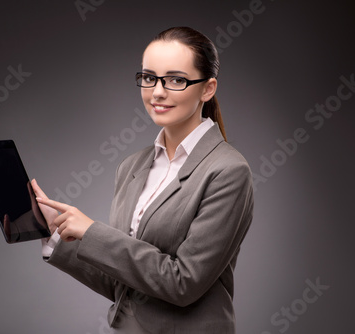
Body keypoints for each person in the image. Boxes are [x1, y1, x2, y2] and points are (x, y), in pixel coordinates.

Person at [31, 26, 254, 334]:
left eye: (175, 79)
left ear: (207, 88)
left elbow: (183, 283)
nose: (157, 92)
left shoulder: (228, 171)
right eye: (149, 78)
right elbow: (126, 282)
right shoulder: (131, 166)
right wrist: (56, 230)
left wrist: (92, 231)